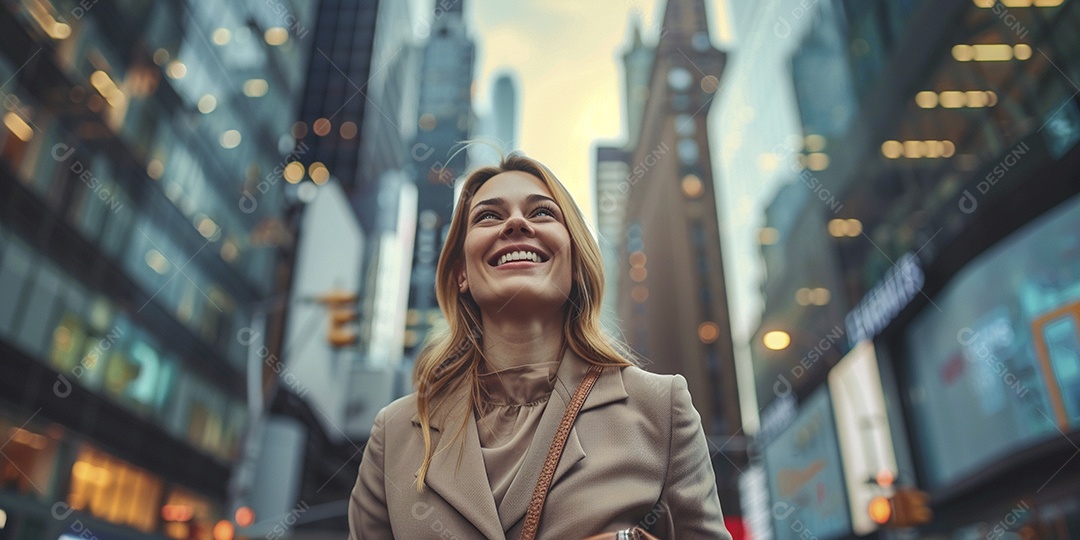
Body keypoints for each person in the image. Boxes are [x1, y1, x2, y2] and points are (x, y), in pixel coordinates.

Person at [348, 154, 731, 540]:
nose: (516, 223)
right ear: (460, 272)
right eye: (488, 216)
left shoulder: (661, 409)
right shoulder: (393, 435)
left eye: (542, 212)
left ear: (575, 262)